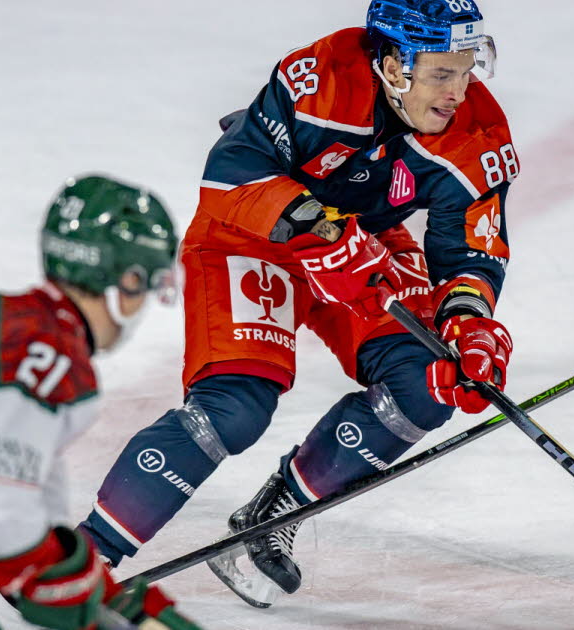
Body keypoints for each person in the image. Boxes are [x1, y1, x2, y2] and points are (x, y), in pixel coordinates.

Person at [77, 0, 518, 607]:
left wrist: (468, 321)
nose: (458, 91)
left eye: (469, 68)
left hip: (363, 242)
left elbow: (468, 253)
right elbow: (231, 173)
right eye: (442, 73)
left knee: (429, 379)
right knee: (234, 408)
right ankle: (86, 557)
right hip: (253, 235)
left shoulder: (478, 132)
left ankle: (270, 518)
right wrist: (320, 230)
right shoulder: (323, 77)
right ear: (392, 63)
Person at [0, 175, 203, 629]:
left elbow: (31, 516)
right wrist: (88, 612)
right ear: (125, 280)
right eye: (145, 284)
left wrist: (122, 606)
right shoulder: (45, 350)